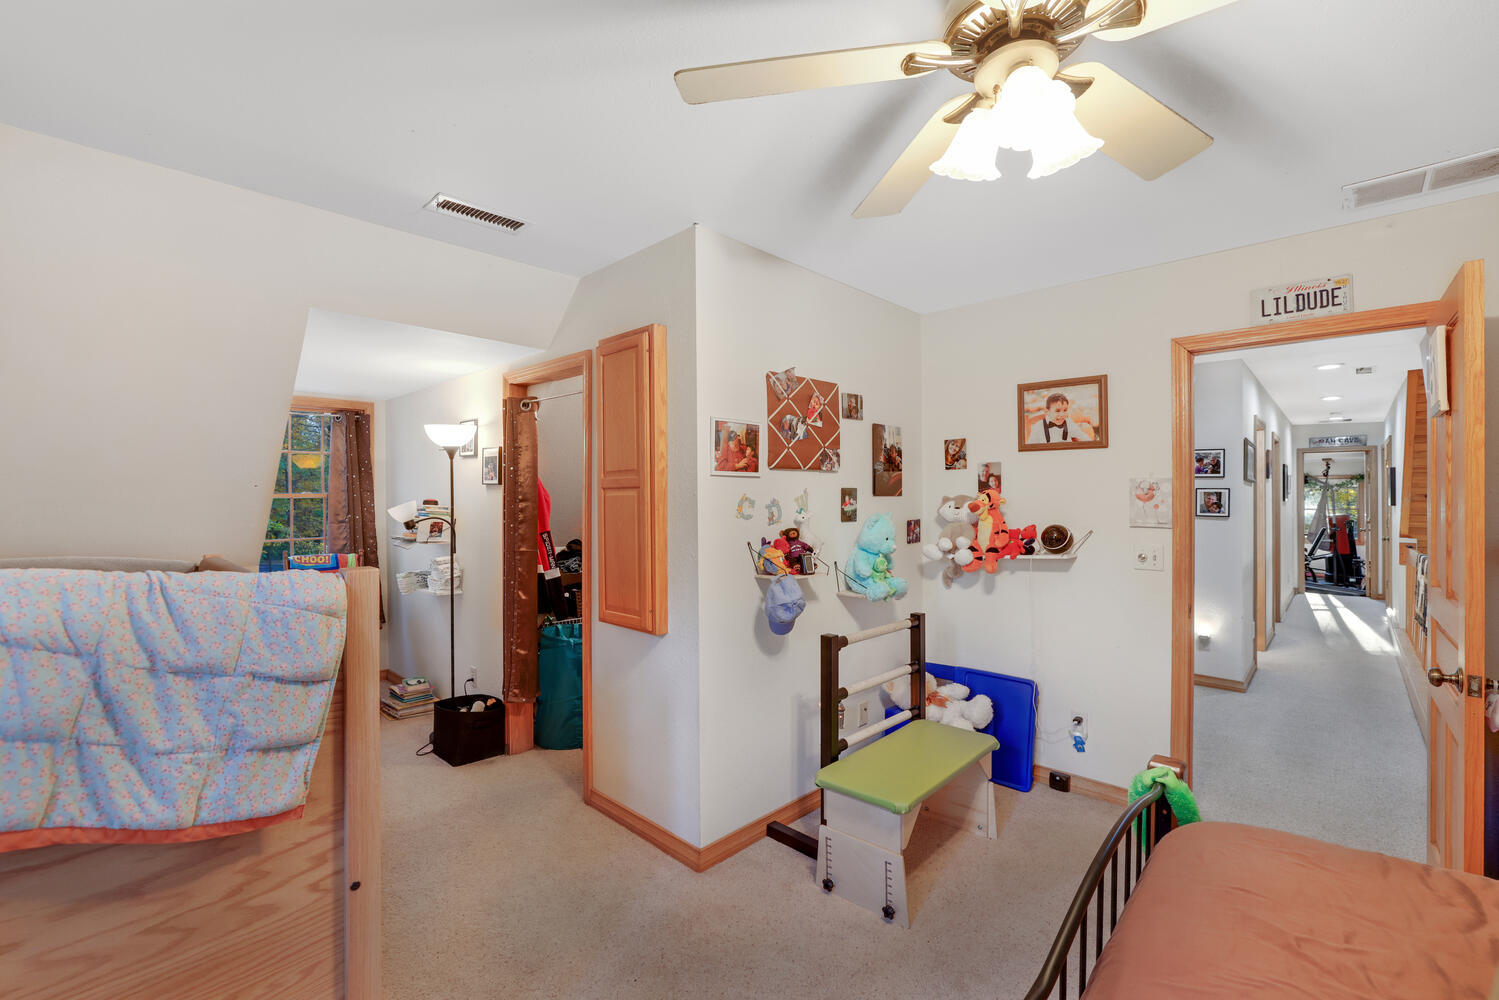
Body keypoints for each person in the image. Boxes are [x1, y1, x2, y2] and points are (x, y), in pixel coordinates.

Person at [1026, 392, 1097, 444]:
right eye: (1057, 411)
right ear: (1047, 412)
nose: (1062, 414)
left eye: (1065, 410)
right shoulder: (1038, 427)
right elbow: (1030, 446)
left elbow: (1083, 437)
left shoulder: (1068, 422)